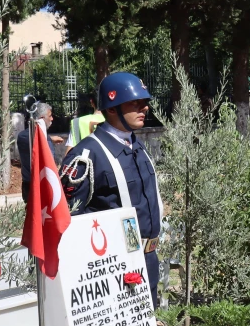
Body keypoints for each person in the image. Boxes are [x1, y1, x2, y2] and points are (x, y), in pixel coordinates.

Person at [61, 72, 163, 307]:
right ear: (112, 108)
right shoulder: (86, 155)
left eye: (144, 102)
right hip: (114, 268)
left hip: (148, 260)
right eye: (134, 103)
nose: (144, 108)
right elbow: (70, 218)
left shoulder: (137, 145)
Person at [17, 100, 65, 202]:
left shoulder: (29, 135)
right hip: (37, 187)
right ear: (42, 119)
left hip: (40, 185)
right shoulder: (28, 137)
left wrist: (51, 139)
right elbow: (37, 143)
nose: (52, 118)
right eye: (50, 116)